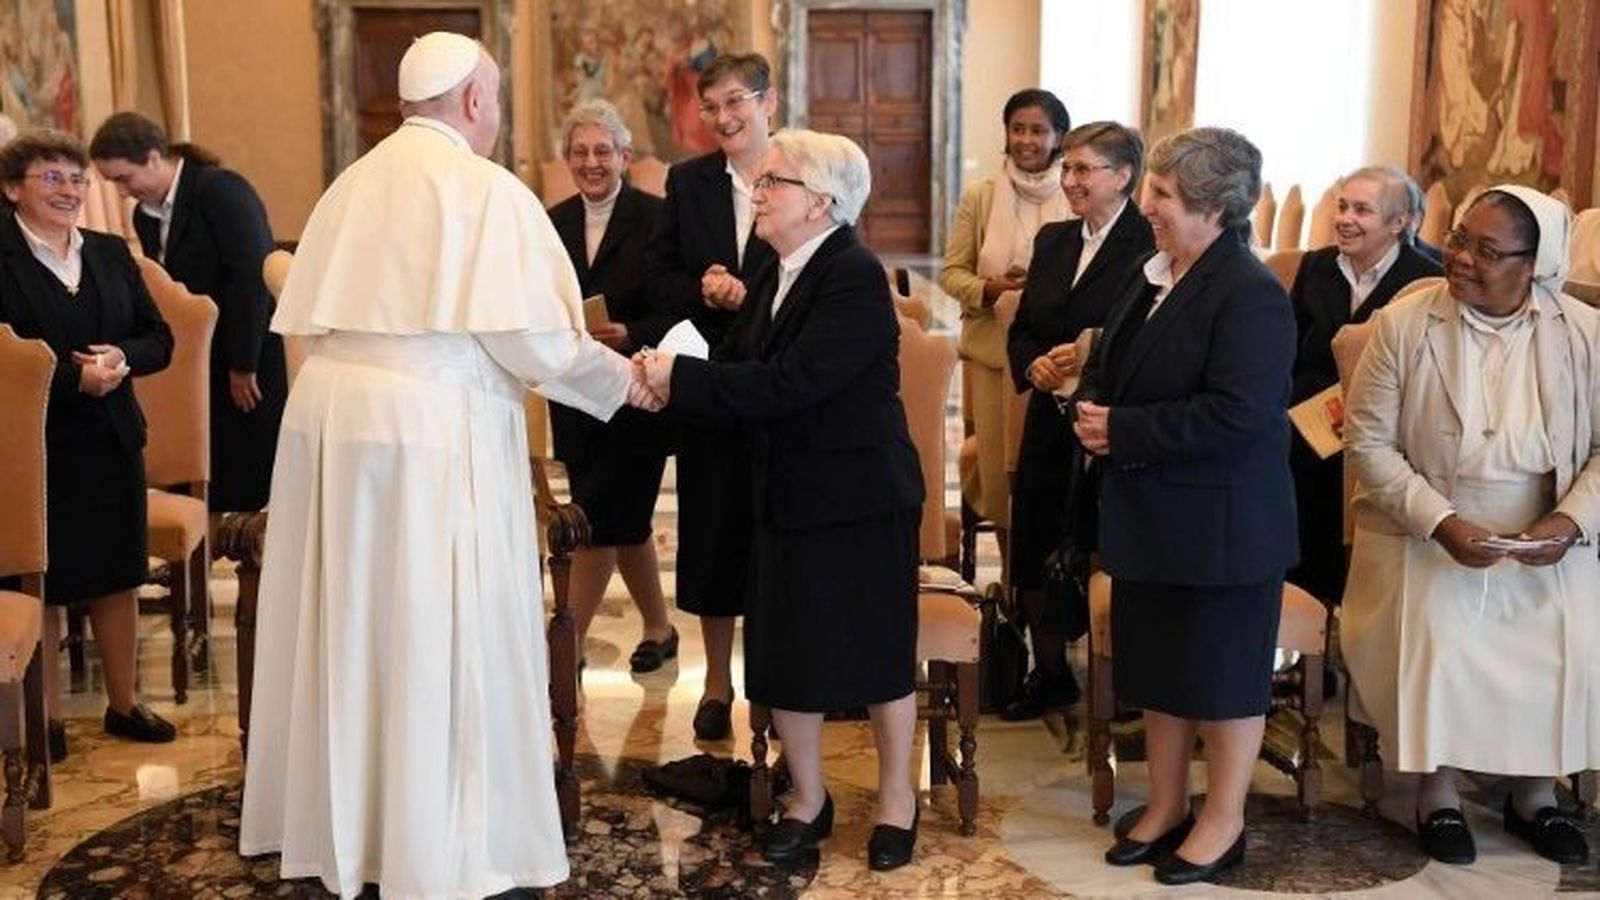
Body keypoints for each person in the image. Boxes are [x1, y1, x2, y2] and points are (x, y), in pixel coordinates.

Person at [237, 33, 648, 897]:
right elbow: (531, 339)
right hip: (428, 427)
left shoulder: (352, 181)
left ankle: (350, 823)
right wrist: (629, 382)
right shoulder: (483, 189)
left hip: (331, 418)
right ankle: (438, 835)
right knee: (432, 620)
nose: (494, 118)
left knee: (350, 619)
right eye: (494, 101)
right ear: (471, 101)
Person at [637, 129, 924, 872]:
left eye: (774, 183)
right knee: (785, 649)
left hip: (857, 497)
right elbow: (736, 363)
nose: (758, 193)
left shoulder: (854, 274)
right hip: (786, 490)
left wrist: (681, 379)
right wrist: (663, 379)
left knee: (877, 652)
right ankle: (808, 797)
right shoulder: (773, 267)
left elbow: (794, 383)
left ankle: (898, 800)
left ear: (821, 202)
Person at [1341, 186, 1598, 868]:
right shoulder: (1404, 322)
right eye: (1459, 240)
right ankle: (1439, 794)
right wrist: (1443, 522)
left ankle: (1536, 797)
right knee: (1438, 634)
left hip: (1548, 524)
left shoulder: (1584, 331)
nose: (1461, 259)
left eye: (1488, 251)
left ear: (1534, 264)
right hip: (1430, 521)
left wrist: (1571, 522)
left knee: (1562, 640)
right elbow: (1368, 445)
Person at [1074, 127, 1296, 885]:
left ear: (1214, 206)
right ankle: (1166, 804)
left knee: (1223, 679)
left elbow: (1244, 414)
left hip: (1224, 525)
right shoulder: (1156, 272)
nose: (1147, 207)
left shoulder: (1250, 294)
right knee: (1161, 672)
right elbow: (1119, 364)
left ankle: (1222, 819)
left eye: (1162, 195)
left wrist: (1124, 429)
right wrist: (1090, 398)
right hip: (1153, 512)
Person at [0, 129, 177, 754]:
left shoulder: (107, 251)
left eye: (76, 179)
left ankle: (124, 705)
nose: (68, 190)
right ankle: (41, 719)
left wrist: (120, 356)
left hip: (112, 438)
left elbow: (160, 338)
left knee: (116, 573)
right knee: (41, 579)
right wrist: (76, 378)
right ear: (12, 187)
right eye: (51, 178)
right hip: (31, 447)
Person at [641, 52, 778, 741]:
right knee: (713, 537)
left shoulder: (803, 171)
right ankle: (719, 683)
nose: (724, 118)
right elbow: (657, 277)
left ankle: (777, 683)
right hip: (708, 385)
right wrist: (703, 288)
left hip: (782, 386)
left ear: (767, 103)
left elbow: (833, 265)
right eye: (712, 107)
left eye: (736, 103)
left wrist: (753, 293)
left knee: (776, 536)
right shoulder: (688, 182)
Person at [1002, 121, 1153, 720]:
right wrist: (1032, 362)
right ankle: (1051, 671)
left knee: (1109, 543)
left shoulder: (1149, 243)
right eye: (1066, 168)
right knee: (1037, 535)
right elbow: (1023, 326)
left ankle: (1127, 678)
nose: (1069, 180)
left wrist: (1083, 357)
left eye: (1083, 169)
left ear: (1123, 177)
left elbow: (1145, 335)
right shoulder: (1054, 240)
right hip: (1048, 413)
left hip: (1113, 416)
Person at [89, 111, 283, 516]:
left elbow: (250, 277)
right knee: (209, 473)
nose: (123, 192)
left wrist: (242, 364)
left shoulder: (219, 190)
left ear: (154, 158)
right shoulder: (145, 215)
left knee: (248, 474)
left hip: (247, 355)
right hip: (202, 361)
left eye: (124, 179)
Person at [545, 98, 676, 673]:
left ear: (624, 155)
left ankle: (568, 645)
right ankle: (659, 626)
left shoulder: (656, 218)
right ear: (567, 159)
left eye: (603, 151)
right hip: (575, 393)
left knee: (598, 520)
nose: (592, 162)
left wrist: (632, 331)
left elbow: (677, 306)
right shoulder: (552, 224)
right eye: (580, 151)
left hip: (636, 389)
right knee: (626, 520)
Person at [1287, 165, 1440, 607]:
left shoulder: (1426, 278)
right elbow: (1290, 350)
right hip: (1308, 433)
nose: (1345, 219)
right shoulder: (1317, 266)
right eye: (1342, 206)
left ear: (1399, 223)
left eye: (1362, 210)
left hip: (1382, 434)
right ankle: (1306, 639)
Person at [940, 88, 1071, 557]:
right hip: (995, 354)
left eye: (1038, 130)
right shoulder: (982, 196)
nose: (1027, 140)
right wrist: (995, 290)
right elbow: (952, 273)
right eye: (1018, 129)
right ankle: (1015, 575)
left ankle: (1050, 571)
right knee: (999, 473)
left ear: (1059, 137)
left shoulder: (1077, 191)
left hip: (1062, 355)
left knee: (1053, 470)